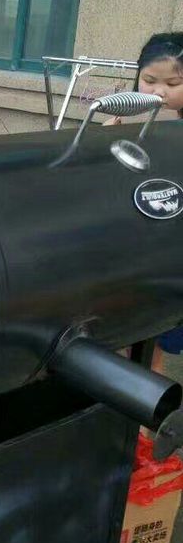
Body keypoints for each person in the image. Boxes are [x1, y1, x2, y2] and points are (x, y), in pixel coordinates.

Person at [107, 33, 183, 373]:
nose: (159, 92)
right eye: (149, 80)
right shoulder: (153, 123)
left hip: (173, 260)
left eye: (173, 83)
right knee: (141, 338)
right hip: (156, 254)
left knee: (155, 339)